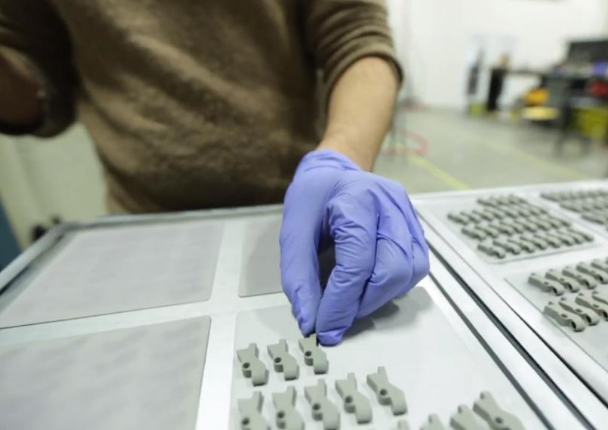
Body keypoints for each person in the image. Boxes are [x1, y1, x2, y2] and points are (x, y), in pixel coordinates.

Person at [0, 1, 429, 346]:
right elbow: (37, 74)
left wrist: (341, 158)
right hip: (143, 227)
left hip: (299, 213)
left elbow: (356, 35)